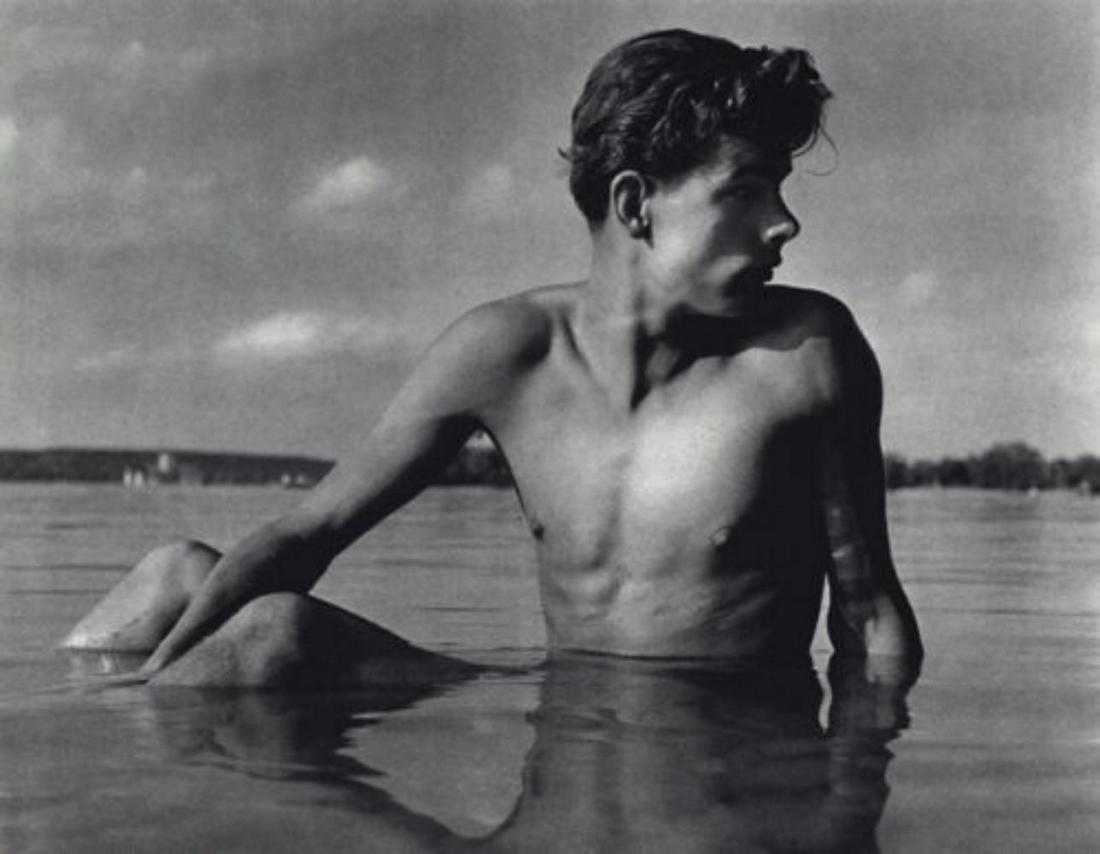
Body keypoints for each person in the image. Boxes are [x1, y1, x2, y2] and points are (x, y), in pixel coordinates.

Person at [64, 28, 922, 687]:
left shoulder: (808, 354)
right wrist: (153, 678)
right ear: (635, 205)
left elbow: (869, 612)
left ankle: (100, 757)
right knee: (171, 573)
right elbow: (308, 532)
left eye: (781, 189)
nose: (784, 223)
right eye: (745, 190)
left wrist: (851, 811)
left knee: (274, 633)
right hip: (552, 705)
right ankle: (82, 760)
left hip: (698, 733)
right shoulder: (507, 351)